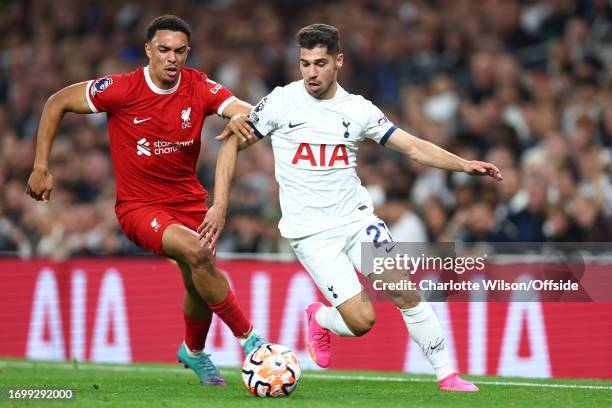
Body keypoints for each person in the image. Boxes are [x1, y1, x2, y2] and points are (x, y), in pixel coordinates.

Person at [203, 24, 504, 392]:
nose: (311, 73)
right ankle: (320, 317)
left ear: (338, 61)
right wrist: (220, 205)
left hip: (357, 219)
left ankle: (447, 375)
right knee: (362, 321)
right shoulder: (282, 102)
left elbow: (410, 146)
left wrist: (464, 164)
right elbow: (232, 142)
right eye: (304, 64)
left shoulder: (358, 110)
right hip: (311, 233)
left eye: (320, 63)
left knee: (405, 291)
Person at [25, 15, 266, 386]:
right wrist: (41, 166)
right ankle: (252, 341)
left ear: (188, 53)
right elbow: (57, 102)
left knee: (197, 282)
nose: (172, 58)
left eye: (180, 51)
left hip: (189, 203)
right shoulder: (121, 89)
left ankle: (194, 352)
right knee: (198, 252)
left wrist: (242, 118)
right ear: (149, 51)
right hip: (139, 208)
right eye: (164, 50)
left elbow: (242, 108)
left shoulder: (198, 86)